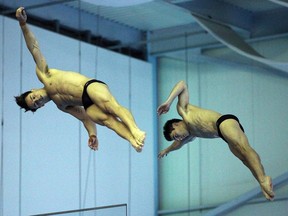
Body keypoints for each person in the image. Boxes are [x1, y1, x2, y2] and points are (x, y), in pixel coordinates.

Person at [14, 7, 145, 152]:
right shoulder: (61, 106)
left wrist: (23, 25)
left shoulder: (45, 75)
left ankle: (135, 130)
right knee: (108, 121)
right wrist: (92, 134)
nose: (36, 100)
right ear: (41, 107)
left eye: (33, 97)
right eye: (36, 104)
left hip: (89, 86)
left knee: (112, 107)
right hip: (87, 103)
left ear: (33, 90)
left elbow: (34, 48)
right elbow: (84, 118)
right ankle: (133, 141)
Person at [157, 80, 274, 201]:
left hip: (224, 123)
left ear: (175, 124)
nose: (179, 138)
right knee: (245, 159)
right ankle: (263, 184)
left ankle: (263, 178)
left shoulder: (184, 111)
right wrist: (167, 150)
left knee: (244, 148)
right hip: (223, 135)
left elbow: (182, 84)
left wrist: (168, 102)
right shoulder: (191, 134)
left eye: (176, 135)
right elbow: (177, 145)